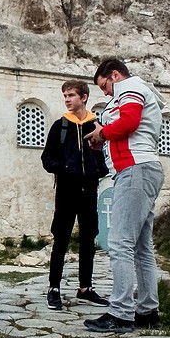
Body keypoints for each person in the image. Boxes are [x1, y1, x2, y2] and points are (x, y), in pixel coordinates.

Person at [83, 58, 164, 333]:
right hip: (141, 169)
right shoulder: (136, 89)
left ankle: (121, 312)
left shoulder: (129, 87)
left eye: (104, 85)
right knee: (141, 247)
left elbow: (129, 122)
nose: (105, 92)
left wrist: (101, 133)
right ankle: (147, 310)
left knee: (119, 242)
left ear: (115, 75)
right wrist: (103, 137)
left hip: (135, 169)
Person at [40, 79, 109, 310]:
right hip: (66, 191)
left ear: (84, 97)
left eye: (71, 95)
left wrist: (97, 170)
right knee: (61, 238)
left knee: (88, 239)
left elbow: (104, 156)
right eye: (65, 96)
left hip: (89, 189)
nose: (67, 100)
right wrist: (66, 169)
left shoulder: (96, 126)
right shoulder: (60, 126)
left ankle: (85, 288)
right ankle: (54, 288)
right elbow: (47, 159)